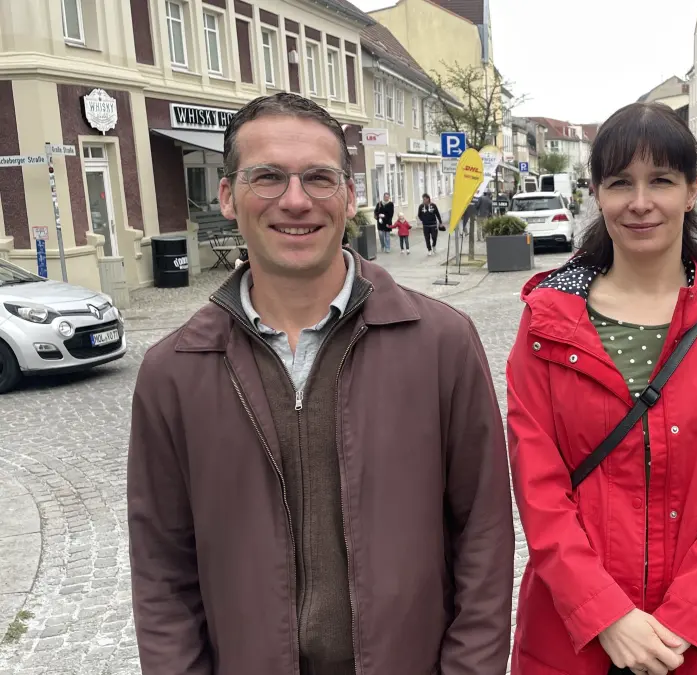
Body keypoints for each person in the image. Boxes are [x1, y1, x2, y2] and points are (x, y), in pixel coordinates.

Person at [127, 92, 515, 675]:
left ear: (350, 196)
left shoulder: (441, 344)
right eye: (267, 177)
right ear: (228, 196)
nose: (295, 200)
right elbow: (162, 572)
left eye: (319, 178)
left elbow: (483, 535)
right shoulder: (175, 371)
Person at [506, 101, 697, 675]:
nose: (640, 202)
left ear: (692, 191)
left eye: (660, 180)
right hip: (576, 639)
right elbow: (538, 485)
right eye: (620, 183)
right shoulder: (546, 325)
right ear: (596, 193)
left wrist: (689, 613)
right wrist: (605, 613)